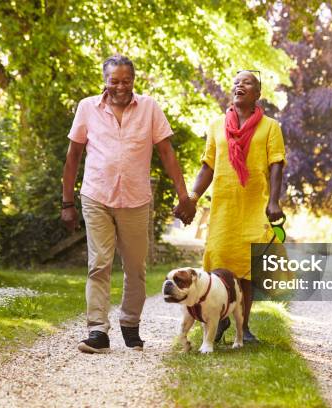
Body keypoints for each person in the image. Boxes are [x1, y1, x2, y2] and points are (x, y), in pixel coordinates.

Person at [62, 55, 196, 353]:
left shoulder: (149, 107)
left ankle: (130, 324)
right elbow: (73, 157)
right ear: (105, 81)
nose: (121, 86)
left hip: (135, 201)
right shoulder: (87, 108)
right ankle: (97, 331)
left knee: (136, 268)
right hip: (96, 196)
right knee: (99, 264)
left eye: (126, 81)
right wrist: (67, 202)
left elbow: (166, 153)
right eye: (114, 81)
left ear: (133, 81)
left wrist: (183, 195)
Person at [179, 70, 285, 343]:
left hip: (253, 206)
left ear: (257, 93)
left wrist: (274, 201)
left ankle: (243, 327)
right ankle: (219, 318)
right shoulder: (216, 126)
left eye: (247, 82)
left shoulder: (271, 127)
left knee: (246, 271)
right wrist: (192, 198)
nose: (240, 85)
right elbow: (207, 166)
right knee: (218, 264)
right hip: (224, 208)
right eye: (236, 82)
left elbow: (276, 165)